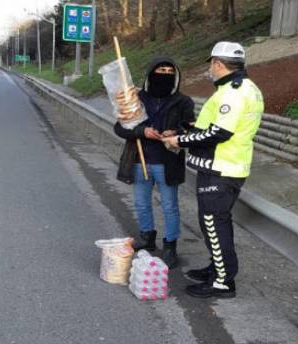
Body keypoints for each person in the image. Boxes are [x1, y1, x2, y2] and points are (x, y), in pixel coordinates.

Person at [163, 41, 263, 298]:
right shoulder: (247, 88)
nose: (210, 70)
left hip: (222, 167)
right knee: (215, 223)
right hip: (228, 165)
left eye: (211, 65)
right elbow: (219, 125)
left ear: (218, 64)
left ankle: (223, 281)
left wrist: (179, 141)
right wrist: (189, 128)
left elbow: (219, 133)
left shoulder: (232, 92)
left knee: (213, 223)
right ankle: (217, 268)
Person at [113, 57, 195, 268]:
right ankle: (147, 237)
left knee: (169, 206)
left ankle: (170, 246)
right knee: (141, 203)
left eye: (169, 71)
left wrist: (175, 132)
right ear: (151, 72)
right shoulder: (136, 99)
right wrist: (142, 131)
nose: (165, 74)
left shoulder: (183, 102)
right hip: (140, 160)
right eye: (161, 69)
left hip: (167, 163)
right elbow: (120, 127)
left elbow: (191, 127)